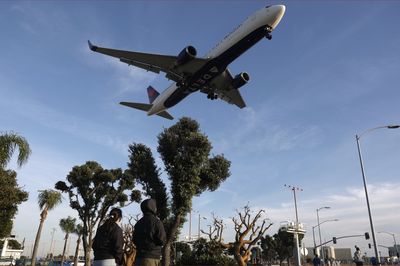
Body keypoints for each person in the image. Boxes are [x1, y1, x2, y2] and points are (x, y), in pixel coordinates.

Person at [133, 198, 166, 266]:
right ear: (153, 208)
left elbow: (134, 240)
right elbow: (162, 240)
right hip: (152, 258)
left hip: (138, 258)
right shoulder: (157, 222)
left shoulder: (138, 223)